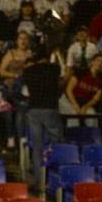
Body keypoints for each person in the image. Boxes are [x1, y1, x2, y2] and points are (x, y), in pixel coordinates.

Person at [23, 48, 63, 190]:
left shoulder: (28, 71)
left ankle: (40, 181)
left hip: (33, 110)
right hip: (50, 109)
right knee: (56, 145)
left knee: (37, 147)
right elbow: (63, 74)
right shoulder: (54, 68)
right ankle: (55, 178)